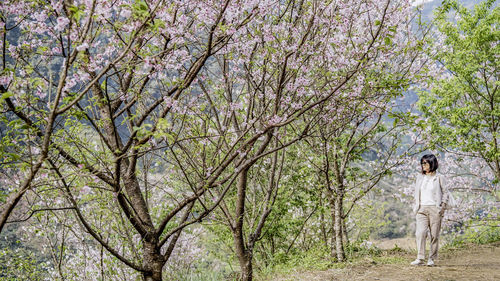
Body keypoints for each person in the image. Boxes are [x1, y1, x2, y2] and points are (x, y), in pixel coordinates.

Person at [410, 154, 450, 266]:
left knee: (434, 235)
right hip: (421, 209)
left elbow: (446, 192)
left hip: (435, 209)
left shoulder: (439, 177)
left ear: (432, 164)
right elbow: (416, 192)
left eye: (425, 163)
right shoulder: (420, 177)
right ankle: (420, 258)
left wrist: (442, 207)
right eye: (422, 163)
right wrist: (416, 205)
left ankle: (431, 259)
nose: (423, 165)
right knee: (420, 233)